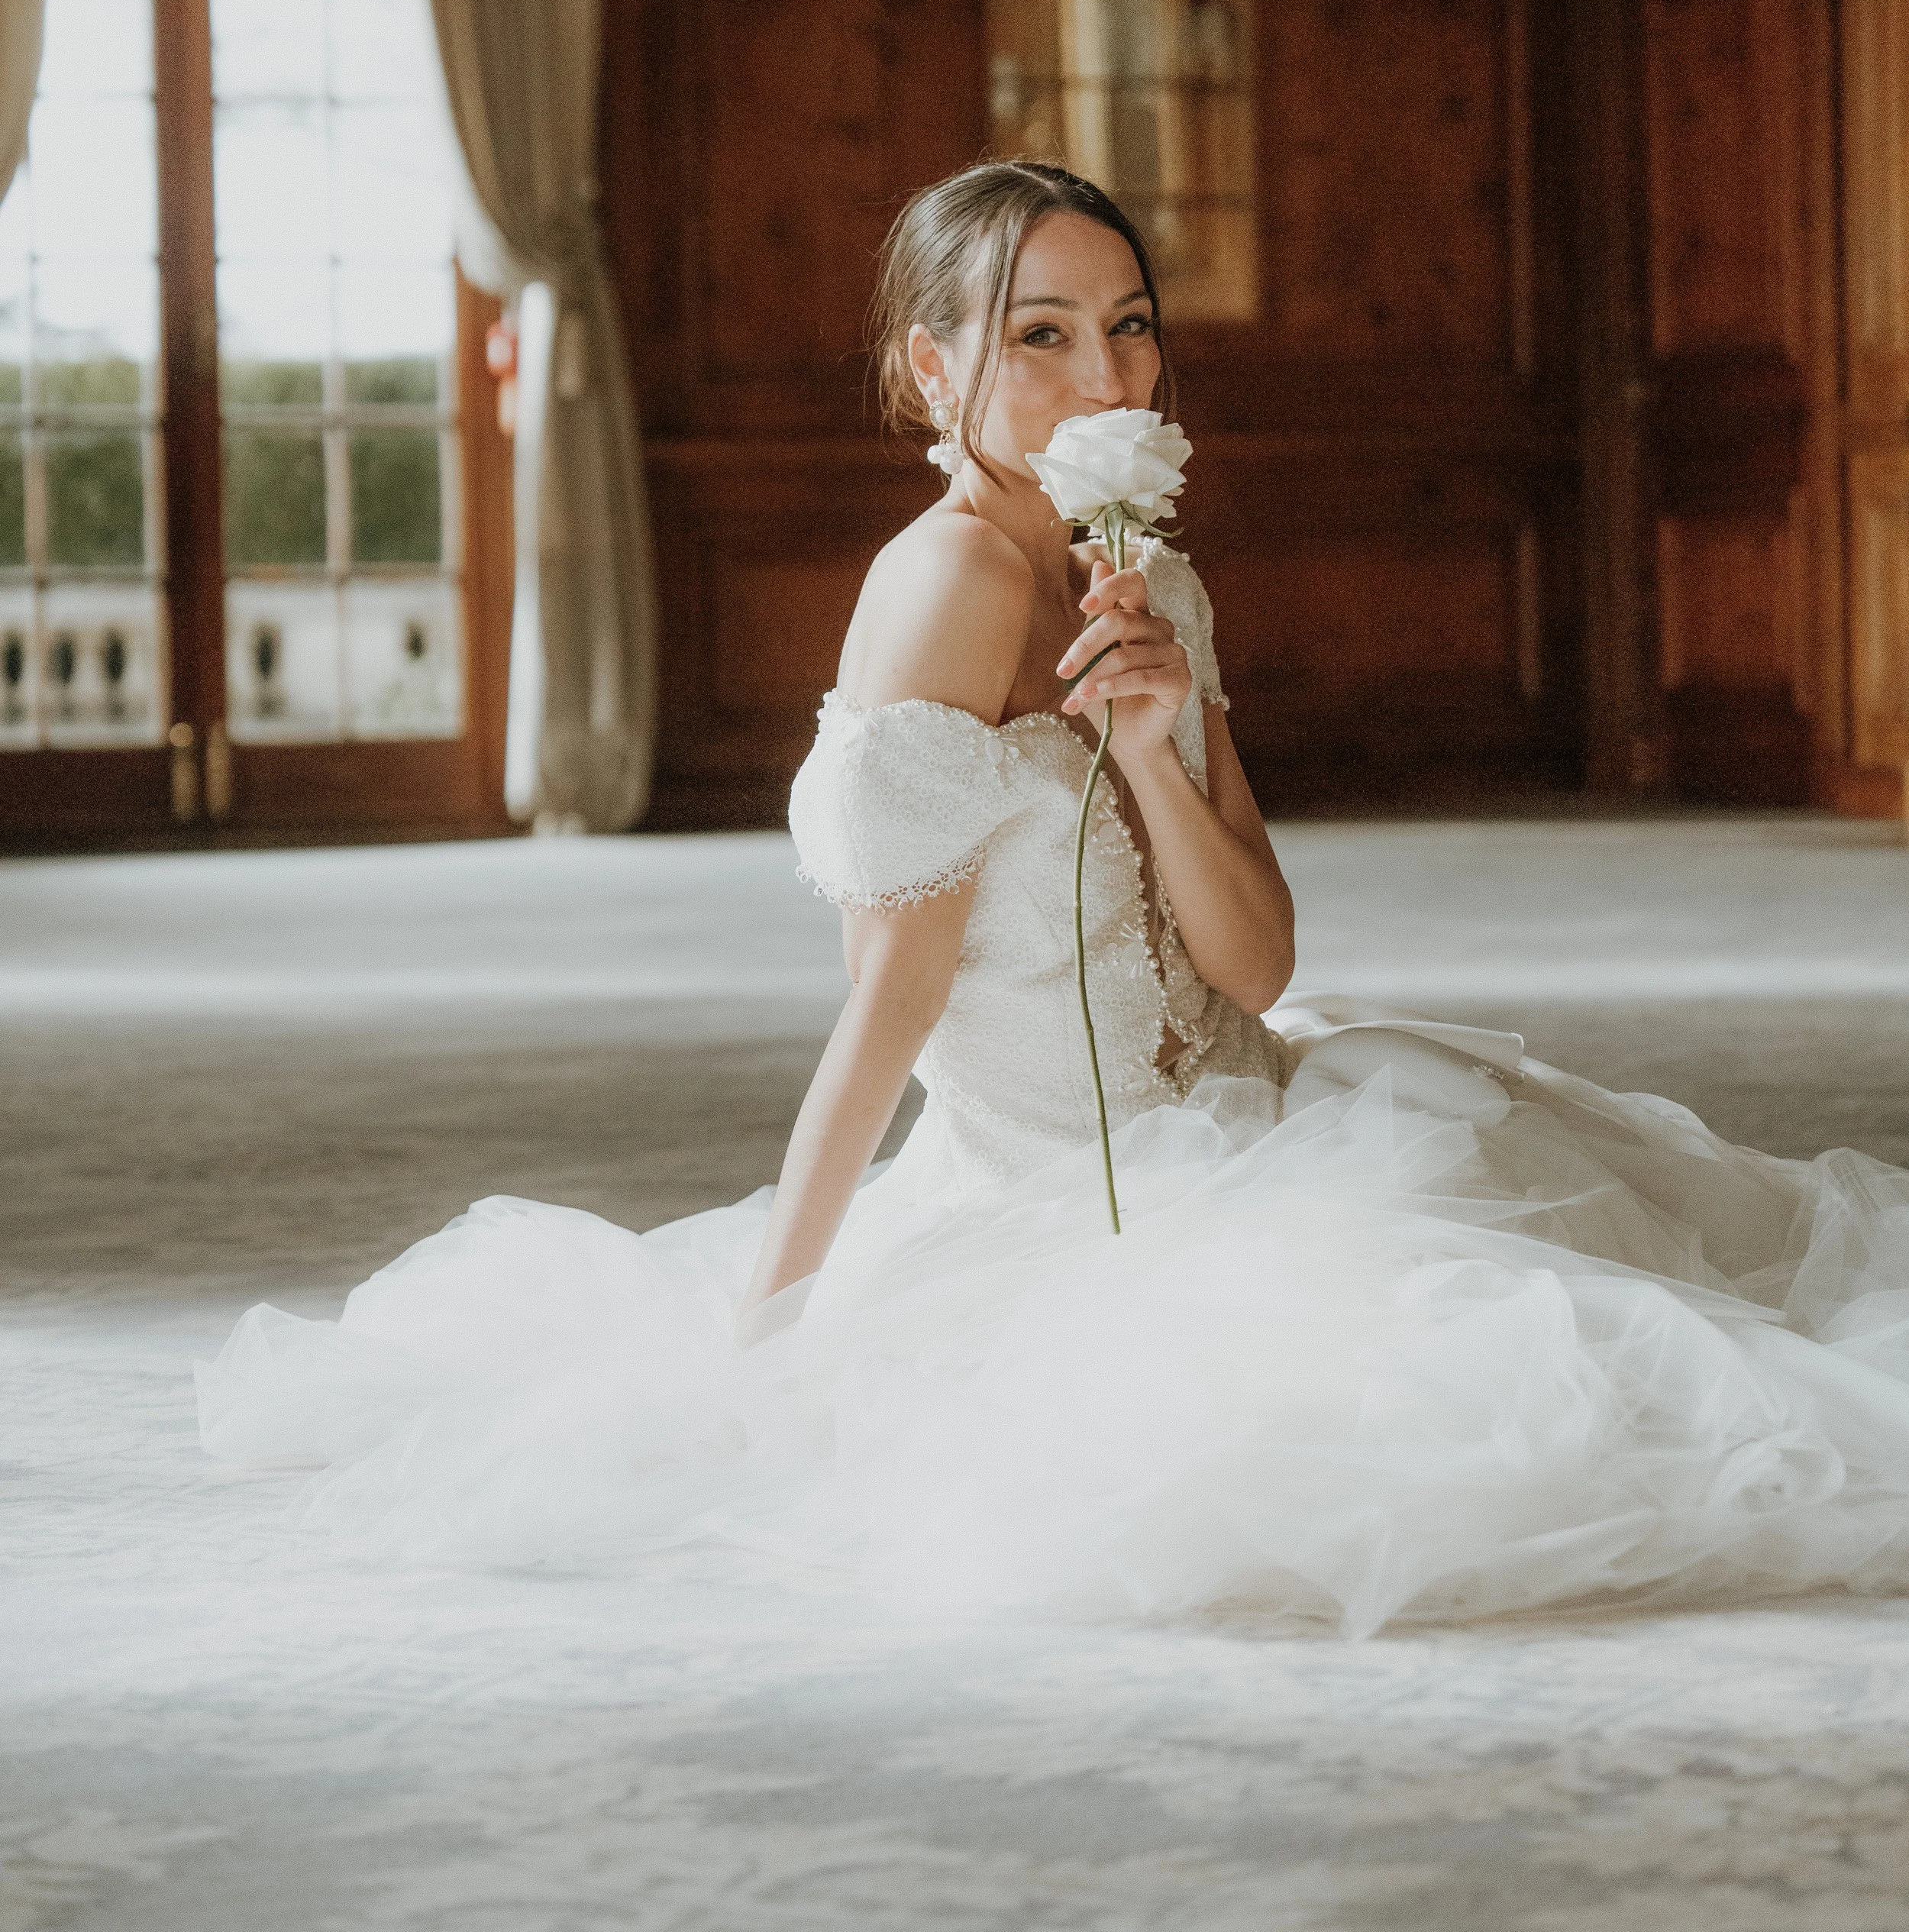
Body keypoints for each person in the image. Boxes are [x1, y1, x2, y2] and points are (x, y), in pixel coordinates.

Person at [200, 160, 1909, 1636]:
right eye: (1039, 332)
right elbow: (889, 1001)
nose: (1107, 370)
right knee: (1404, 1435)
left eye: (1130, 321)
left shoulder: (1145, 566)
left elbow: (1254, 959)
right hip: (1058, 1203)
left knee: (1661, 1319)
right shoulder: (936, 584)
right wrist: (769, 1331)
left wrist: (1160, 742)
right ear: (927, 365)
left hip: (1266, 1118)